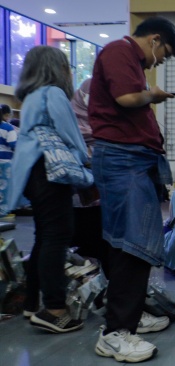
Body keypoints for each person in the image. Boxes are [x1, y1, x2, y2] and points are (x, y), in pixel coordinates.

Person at [88, 16, 175, 362]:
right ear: (155, 39)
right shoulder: (119, 51)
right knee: (133, 244)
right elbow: (127, 98)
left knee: (129, 241)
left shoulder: (126, 57)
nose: (159, 61)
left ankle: (127, 317)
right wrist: (151, 95)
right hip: (123, 160)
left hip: (132, 160)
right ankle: (115, 332)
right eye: (164, 53)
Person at [7, 46, 88, 333]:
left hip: (32, 173)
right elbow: (71, 135)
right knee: (57, 237)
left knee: (44, 237)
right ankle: (54, 310)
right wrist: (87, 161)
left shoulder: (29, 97)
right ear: (57, 68)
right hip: (51, 172)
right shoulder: (53, 93)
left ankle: (32, 304)